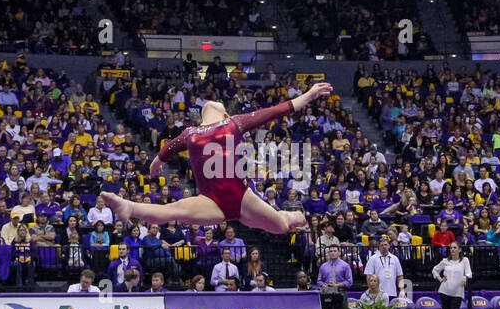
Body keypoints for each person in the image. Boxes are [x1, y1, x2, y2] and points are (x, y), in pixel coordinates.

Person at [101, 82, 335, 234]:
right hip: (214, 200)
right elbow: (163, 153)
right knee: (172, 210)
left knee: (282, 226)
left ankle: (294, 214)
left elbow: (279, 110)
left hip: (240, 197)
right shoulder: (199, 131)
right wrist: (156, 165)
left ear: (224, 112)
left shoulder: (223, 125)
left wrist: (155, 165)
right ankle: (128, 206)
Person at [431, 243, 471, 309]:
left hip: (457, 292)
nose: (452, 250)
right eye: (451, 248)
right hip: (445, 290)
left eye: (454, 248)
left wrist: (465, 277)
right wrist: (439, 278)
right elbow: (435, 270)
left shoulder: (464, 261)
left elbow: (469, 273)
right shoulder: (445, 261)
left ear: (459, 249)